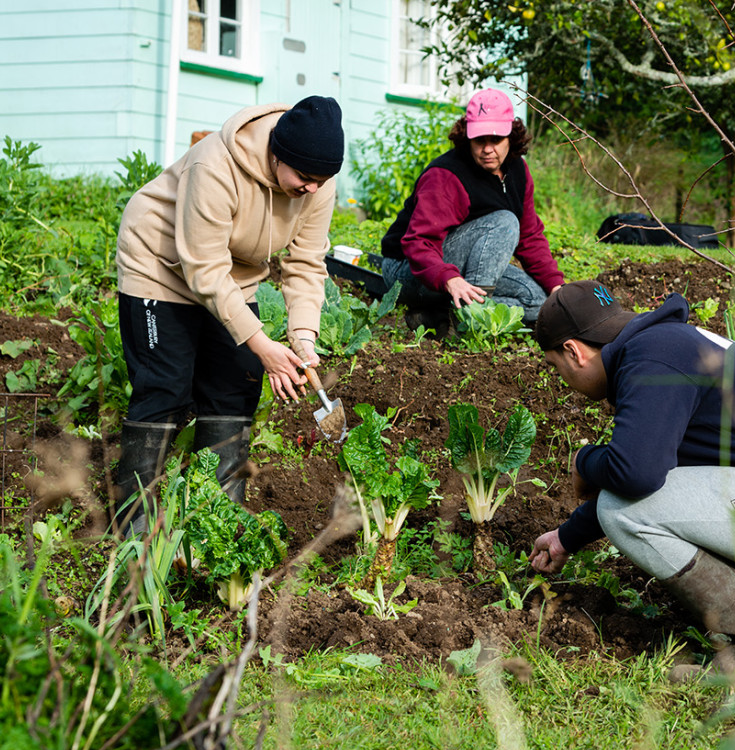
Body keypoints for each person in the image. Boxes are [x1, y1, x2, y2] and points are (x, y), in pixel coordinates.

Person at [529, 280, 735, 681]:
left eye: (555, 366)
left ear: (574, 351)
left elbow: (635, 474)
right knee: (628, 501)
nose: (560, 377)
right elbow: (670, 478)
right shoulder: (665, 345)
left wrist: (583, 460)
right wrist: (567, 537)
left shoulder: (652, 358)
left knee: (619, 510)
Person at [114, 95, 344, 533]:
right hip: (159, 266)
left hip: (232, 273)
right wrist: (262, 345)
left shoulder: (317, 182)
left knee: (236, 382)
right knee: (165, 386)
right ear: (279, 154)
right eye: (305, 178)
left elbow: (306, 262)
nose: (312, 188)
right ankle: (134, 528)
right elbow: (202, 269)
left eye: (322, 180)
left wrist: (303, 338)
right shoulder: (215, 165)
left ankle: (216, 521)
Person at [380, 88, 563, 335]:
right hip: (408, 272)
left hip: (462, 265)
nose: (487, 149)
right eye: (479, 140)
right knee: (504, 221)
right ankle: (471, 318)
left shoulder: (517, 171)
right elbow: (418, 242)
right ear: (468, 138)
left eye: (496, 140)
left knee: (537, 301)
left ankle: (438, 315)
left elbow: (529, 236)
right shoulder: (446, 177)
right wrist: (449, 279)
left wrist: (555, 285)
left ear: (511, 136)